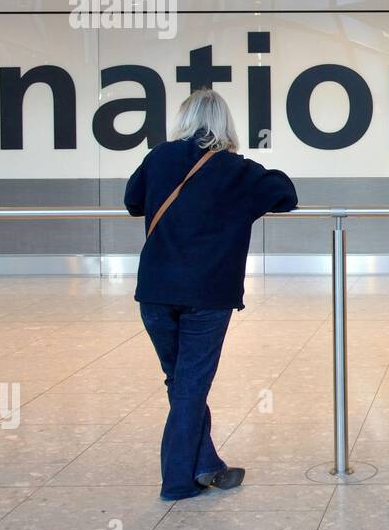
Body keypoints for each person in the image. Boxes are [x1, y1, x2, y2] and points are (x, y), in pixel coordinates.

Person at [124, 89, 297, 500]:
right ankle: (178, 481)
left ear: (184, 119)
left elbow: (132, 201)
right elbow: (285, 193)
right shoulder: (237, 171)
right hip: (207, 296)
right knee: (190, 386)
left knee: (181, 382)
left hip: (155, 293)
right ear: (224, 125)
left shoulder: (158, 157)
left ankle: (206, 465)